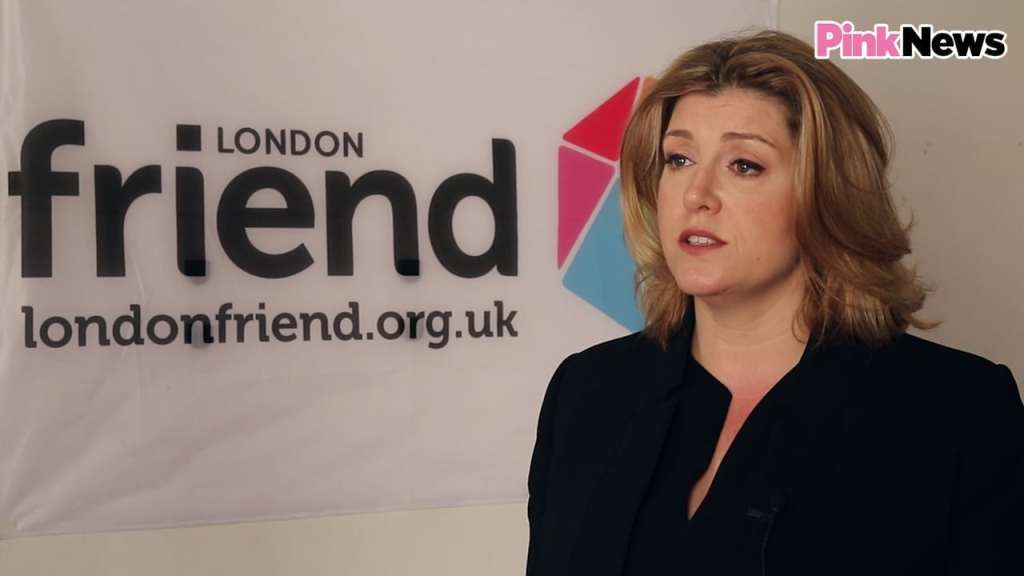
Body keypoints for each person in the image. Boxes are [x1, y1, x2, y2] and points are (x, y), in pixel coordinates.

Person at [526, 30, 1023, 575]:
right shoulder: (587, 393)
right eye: (678, 159)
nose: (696, 195)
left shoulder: (958, 413)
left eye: (744, 165)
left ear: (825, 193)